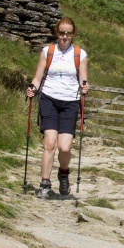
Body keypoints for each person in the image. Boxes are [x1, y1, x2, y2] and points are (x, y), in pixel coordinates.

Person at [27, 19, 88, 199]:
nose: (65, 37)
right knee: (50, 143)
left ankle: (63, 174)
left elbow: (83, 79)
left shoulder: (80, 54)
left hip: (70, 102)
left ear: (73, 34)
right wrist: (32, 88)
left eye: (68, 33)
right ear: (56, 33)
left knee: (65, 147)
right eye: (62, 33)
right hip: (49, 99)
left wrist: (85, 87)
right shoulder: (48, 52)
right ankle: (44, 183)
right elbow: (38, 78)